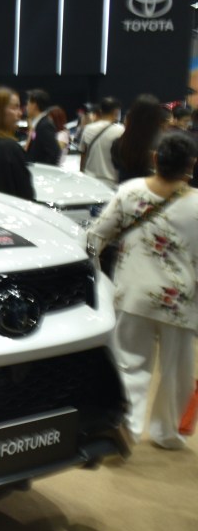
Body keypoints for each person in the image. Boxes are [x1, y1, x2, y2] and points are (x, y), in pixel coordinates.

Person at [87, 133, 198, 449]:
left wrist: (98, 278)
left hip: (132, 293)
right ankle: (168, 434)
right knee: (177, 372)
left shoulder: (129, 191)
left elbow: (95, 238)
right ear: (191, 165)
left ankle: (128, 429)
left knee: (129, 365)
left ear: (155, 158)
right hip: (180, 299)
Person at [111, 94, 166, 183]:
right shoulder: (163, 143)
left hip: (125, 187)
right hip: (151, 189)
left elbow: (116, 165)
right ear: (157, 116)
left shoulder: (120, 142)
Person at [79, 96, 124, 187]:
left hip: (89, 180)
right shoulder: (121, 130)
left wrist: (82, 175)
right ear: (116, 111)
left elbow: (83, 155)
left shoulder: (88, 129)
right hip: (110, 182)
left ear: (101, 110)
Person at [23, 89, 61, 165]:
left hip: (40, 170)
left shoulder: (44, 125)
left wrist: (43, 169)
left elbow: (54, 152)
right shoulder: (38, 123)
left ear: (34, 105)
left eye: (28, 103)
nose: (26, 107)